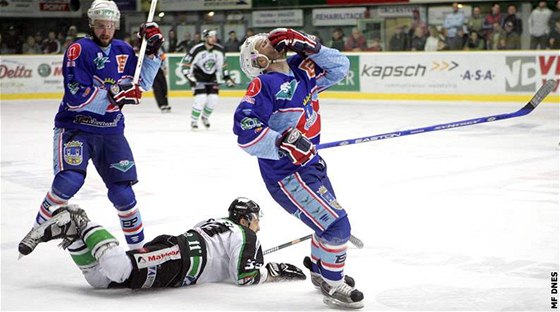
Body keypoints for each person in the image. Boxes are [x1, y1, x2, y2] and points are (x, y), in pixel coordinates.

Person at [18, 0, 164, 256]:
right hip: (76, 127)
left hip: (111, 131)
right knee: (69, 180)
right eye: (100, 26)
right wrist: (114, 95)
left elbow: (142, 83)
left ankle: (139, 249)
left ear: (116, 25)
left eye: (110, 25)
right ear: (91, 25)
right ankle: (37, 229)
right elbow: (75, 95)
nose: (105, 31)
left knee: (123, 193)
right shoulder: (79, 49)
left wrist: (150, 52)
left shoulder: (122, 49)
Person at [234, 28, 364, 309]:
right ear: (258, 60)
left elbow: (341, 67)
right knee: (336, 224)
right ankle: (333, 282)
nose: (270, 40)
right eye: (262, 43)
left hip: (311, 165)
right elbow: (245, 129)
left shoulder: (303, 68)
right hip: (286, 174)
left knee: (325, 222)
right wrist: (282, 142)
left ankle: (320, 272)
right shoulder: (264, 84)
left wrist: (309, 44)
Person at [18, 198, 307, 289]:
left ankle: (72, 237)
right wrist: (271, 270)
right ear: (246, 219)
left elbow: (223, 261)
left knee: (99, 280)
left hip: (178, 255)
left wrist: (252, 260)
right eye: (256, 218)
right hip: (180, 261)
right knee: (118, 271)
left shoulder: (217, 221)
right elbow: (243, 277)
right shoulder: (247, 235)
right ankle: (81, 221)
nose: (259, 223)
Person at [181, 29, 234, 130]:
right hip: (198, 77)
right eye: (211, 36)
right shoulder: (196, 49)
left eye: (214, 36)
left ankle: (205, 117)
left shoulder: (219, 50)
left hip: (211, 77)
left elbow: (222, 66)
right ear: (205, 38)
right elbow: (185, 64)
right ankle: (194, 121)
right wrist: (190, 77)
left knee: (213, 99)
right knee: (201, 98)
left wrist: (227, 78)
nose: (214, 39)